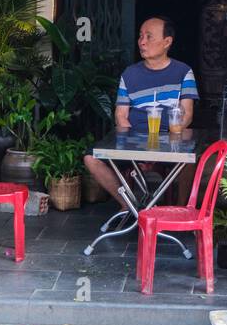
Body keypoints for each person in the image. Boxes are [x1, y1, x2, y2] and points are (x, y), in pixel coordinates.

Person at [83, 17, 199, 210]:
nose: (142, 42)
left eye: (149, 37)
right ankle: (128, 205)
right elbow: (121, 115)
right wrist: (136, 150)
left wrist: (161, 148)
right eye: (140, 36)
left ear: (167, 42)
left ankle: (181, 209)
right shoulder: (130, 74)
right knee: (91, 158)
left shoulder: (183, 72)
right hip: (133, 141)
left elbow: (186, 115)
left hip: (169, 141)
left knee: (190, 157)